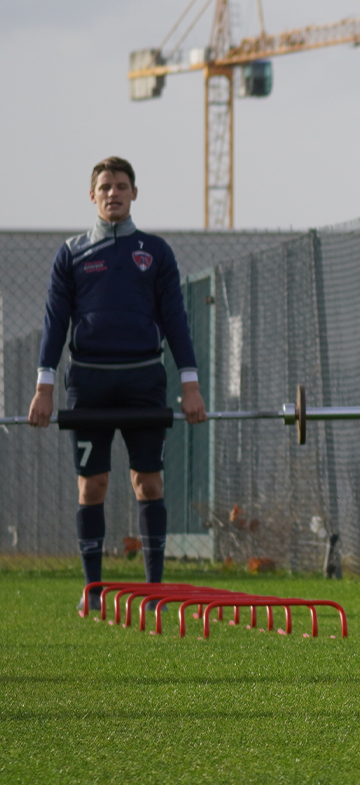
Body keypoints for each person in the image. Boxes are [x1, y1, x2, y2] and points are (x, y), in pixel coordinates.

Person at [29, 157, 206, 613]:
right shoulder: (71, 253)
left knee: (148, 482)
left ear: (134, 194)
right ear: (93, 195)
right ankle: (93, 592)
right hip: (89, 385)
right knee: (94, 486)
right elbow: (54, 324)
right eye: (105, 186)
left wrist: (190, 384)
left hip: (144, 381)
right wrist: (44, 387)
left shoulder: (156, 251)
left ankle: (154, 592)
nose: (114, 193)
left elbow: (177, 322)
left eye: (122, 186)